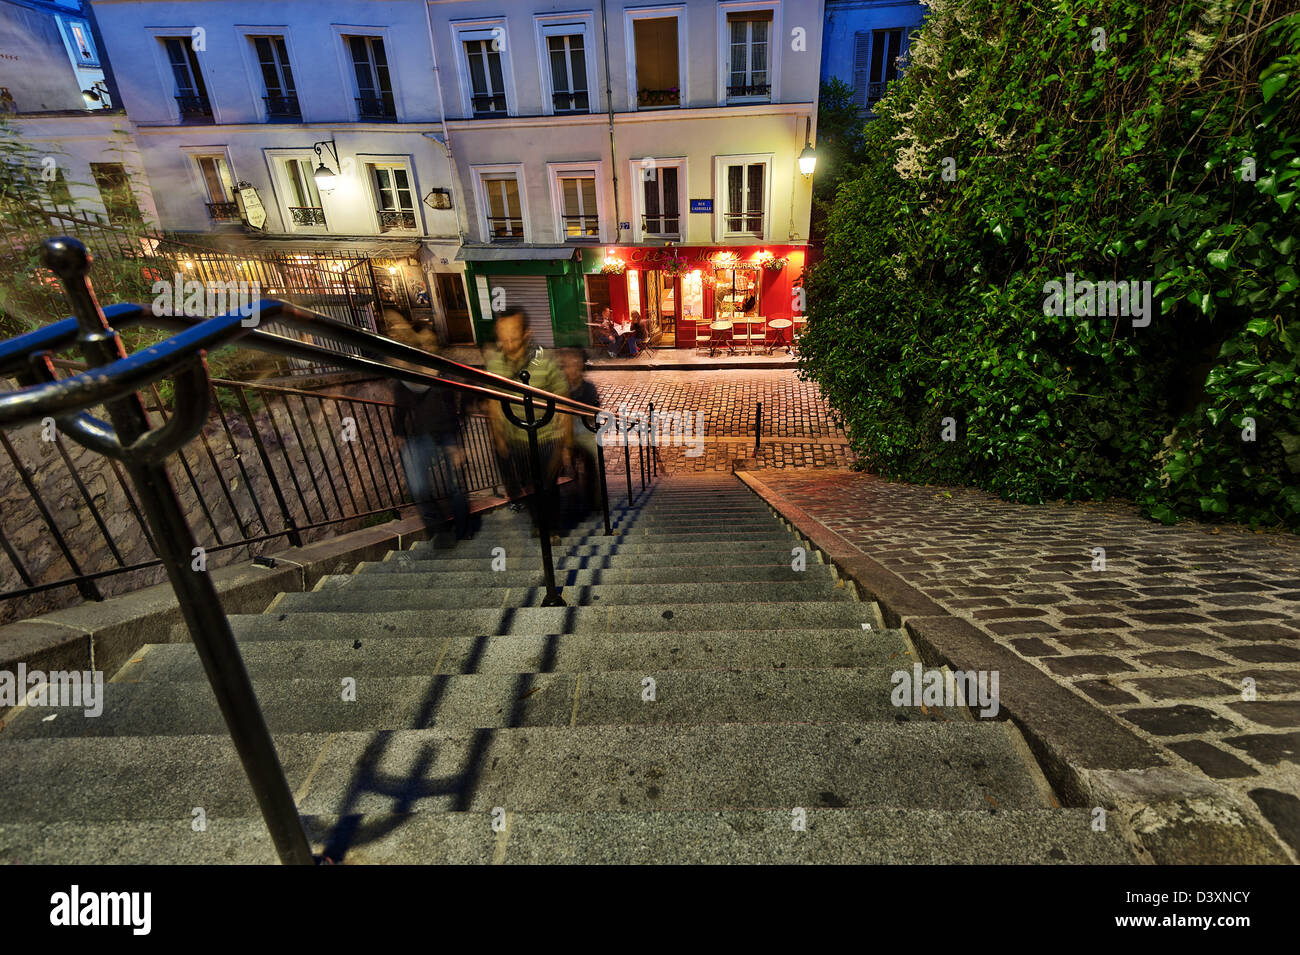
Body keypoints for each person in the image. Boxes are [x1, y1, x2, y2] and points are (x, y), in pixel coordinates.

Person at [485, 310, 570, 542]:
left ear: (526, 334)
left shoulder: (545, 360)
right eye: (502, 335)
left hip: (547, 437)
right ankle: (537, 522)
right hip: (517, 439)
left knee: (548, 485)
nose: (507, 341)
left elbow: (562, 395)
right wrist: (499, 438)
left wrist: (566, 443)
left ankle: (552, 528)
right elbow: (493, 401)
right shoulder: (496, 365)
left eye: (513, 334)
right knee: (530, 486)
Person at [391, 322, 473, 542]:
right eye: (423, 343)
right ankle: (439, 532)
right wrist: (398, 431)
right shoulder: (406, 370)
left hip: (445, 434)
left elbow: (452, 406)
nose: (427, 347)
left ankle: (463, 532)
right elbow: (399, 403)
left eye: (431, 343)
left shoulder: (442, 371)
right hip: (416, 435)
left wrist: (456, 442)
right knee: (418, 488)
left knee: (456, 486)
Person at [559, 348, 602, 528]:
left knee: (594, 460)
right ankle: (563, 505)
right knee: (554, 463)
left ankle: (597, 501)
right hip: (562, 434)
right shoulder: (559, 387)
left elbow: (594, 414)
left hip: (583, 432)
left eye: (576, 365)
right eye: (568, 365)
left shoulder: (588, 388)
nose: (572, 369)